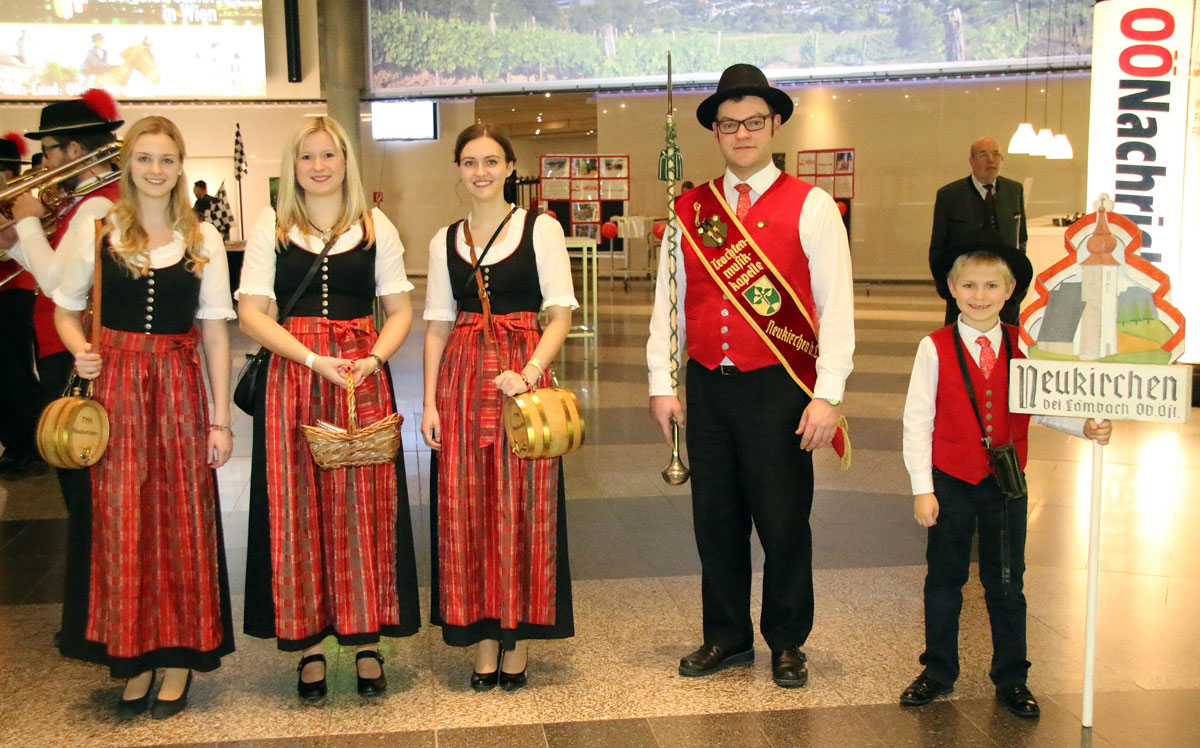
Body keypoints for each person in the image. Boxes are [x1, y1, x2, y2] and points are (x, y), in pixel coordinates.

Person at [646, 63, 855, 689]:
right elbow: (668, 302)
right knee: (716, 519)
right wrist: (663, 382)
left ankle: (788, 640)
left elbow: (835, 306)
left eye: (754, 122)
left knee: (785, 520)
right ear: (715, 132)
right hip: (709, 385)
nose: (742, 133)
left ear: (775, 125)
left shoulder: (813, 205)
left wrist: (828, 395)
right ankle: (727, 636)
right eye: (729, 123)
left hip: (780, 387)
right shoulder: (691, 210)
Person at [52, 115, 237, 719]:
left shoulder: (201, 236)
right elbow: (65, 305)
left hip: (180, 389)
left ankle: (178, 653)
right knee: (121, 518)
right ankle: (130, 653)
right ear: (129, 164)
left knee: (179, 518)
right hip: (117, 388)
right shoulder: (98, 228)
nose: (156, 170)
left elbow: (214, 334)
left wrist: (220, 419)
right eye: (145, 159)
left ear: (182, 167)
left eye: (167, 160)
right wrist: (80, 347)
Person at [237, 115, 420, 699]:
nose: (319, 166)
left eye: (329, 156)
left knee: (362, 507)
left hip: (361, 377)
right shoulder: (272, 222)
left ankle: (367, 640)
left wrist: (374, 358)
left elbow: (398, 309)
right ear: (293, 166)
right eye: (307, 156)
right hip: (296, 376)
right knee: (296, 507)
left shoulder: (375, 226)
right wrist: (314, 360)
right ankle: (308, 644)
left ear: (347, 163)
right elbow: (252, 313)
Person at [900, 240, 1113, 718]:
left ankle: (1012, 676)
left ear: (1010, 289)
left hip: (1006, 485)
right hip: (950, 480)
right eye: (969, 285)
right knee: (944, 579)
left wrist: (1085, 426)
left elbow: (1046, 405)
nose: (980, 295)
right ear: (952, 289)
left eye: (991, 285)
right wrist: (922, 488)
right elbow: (918, 420)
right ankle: (937, 669)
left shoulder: (1027, 344)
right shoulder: (933, 348)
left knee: (1006, 582)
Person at [421, 124, 577, 692]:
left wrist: (530, 371)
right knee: (467, 510)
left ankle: (519, 638)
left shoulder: (541, 229)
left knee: (525, 508)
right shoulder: (444, 240)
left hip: (524, 380)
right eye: (469, 162)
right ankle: (482, 639)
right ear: (459, 170)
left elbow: (557, 314)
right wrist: (430, 402)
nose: (480, 171)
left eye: (491, 161)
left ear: (510, 166)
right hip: (462, 384)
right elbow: (438, 325)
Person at [1, 89, 123, 505]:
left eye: (49, 151)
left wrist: (28, 225)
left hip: (75, 348)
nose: (45, 163)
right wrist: (17, 239)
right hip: (66, 344)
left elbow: (55, 281)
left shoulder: (98, 204)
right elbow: (52, 268)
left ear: (73, 148)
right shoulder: (83, 202)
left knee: (81, 475)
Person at [929, 136, 1028, 325]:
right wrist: (949, 291)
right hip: (963, 294)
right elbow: (938, 247)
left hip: (1004, 294)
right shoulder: (950, 195)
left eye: (996, 154)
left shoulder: (1014, 190)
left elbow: (1021, 239)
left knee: (1005, 345)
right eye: (984, 155)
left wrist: (1016, 291)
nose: (991, 160)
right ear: (972, 161)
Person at [0, 132, 44, 479]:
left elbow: (18, 242)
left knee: (15, 371)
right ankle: (14, 443)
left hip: (15, 291)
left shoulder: (18, 198)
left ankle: (29, 444)